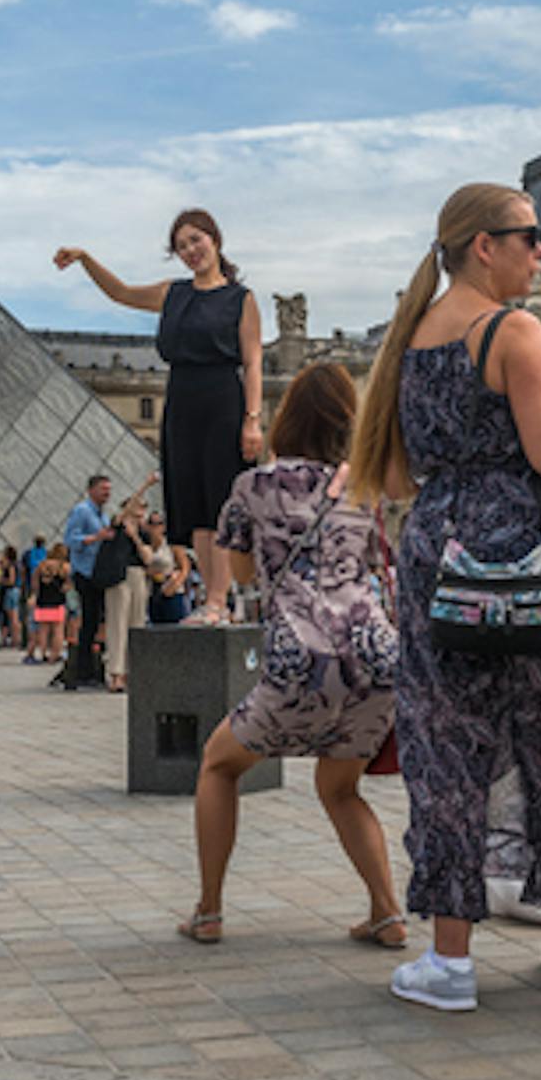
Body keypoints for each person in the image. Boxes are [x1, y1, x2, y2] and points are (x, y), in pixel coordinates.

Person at [348, 181, 541, 1014]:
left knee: (446, 753)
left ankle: (450, 962)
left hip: (441, 547)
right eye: (529, 237)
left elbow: (393, 475)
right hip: (537, 546)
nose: (540, 251)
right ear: (483, 245)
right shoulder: (515, 330)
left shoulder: (409, 339)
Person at [181, 363, 404, 947]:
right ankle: (388, 914)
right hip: (377, 658)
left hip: (302, 655)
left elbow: (245, 572)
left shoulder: (253, 486)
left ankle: (208, 910)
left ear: (288, 418)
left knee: (219, 764)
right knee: (339, 788)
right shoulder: (363, 485)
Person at [55, 209, 264, 626]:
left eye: (196, 240)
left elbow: (253, 361)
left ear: (215, 239)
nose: (190, 250)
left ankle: (220, 601)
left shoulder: (241, 299)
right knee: (194, 510)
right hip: (181, 404)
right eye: (182, 246)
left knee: (219, 505)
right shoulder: (173, 293)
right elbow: (121, 293)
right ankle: (211, 602)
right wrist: (85, 258)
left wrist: (252, 419)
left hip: (223, 399)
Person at [58, 475, 119, 691]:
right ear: (91, 490)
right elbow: (70, 539)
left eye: (109, 489)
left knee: (97, 621)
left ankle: (91, 667)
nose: (108, 493)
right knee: (90, 621)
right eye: (104, 489)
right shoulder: (82, 511)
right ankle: (83, 670)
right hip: (85, 573)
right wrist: (96, 537)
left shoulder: (102, 514)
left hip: (98, 573)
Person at [104, 493, 165, 692]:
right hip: (118, 577)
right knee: (117, 624)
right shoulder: (116, 526)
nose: (141, 512)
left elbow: (148, 559)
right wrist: (146, 485)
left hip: (138, 576)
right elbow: (119, 518)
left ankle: (132, 671)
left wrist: (136, 537)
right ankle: (116, 674)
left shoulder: (143, 533)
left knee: (136, 624)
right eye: (138, 507)